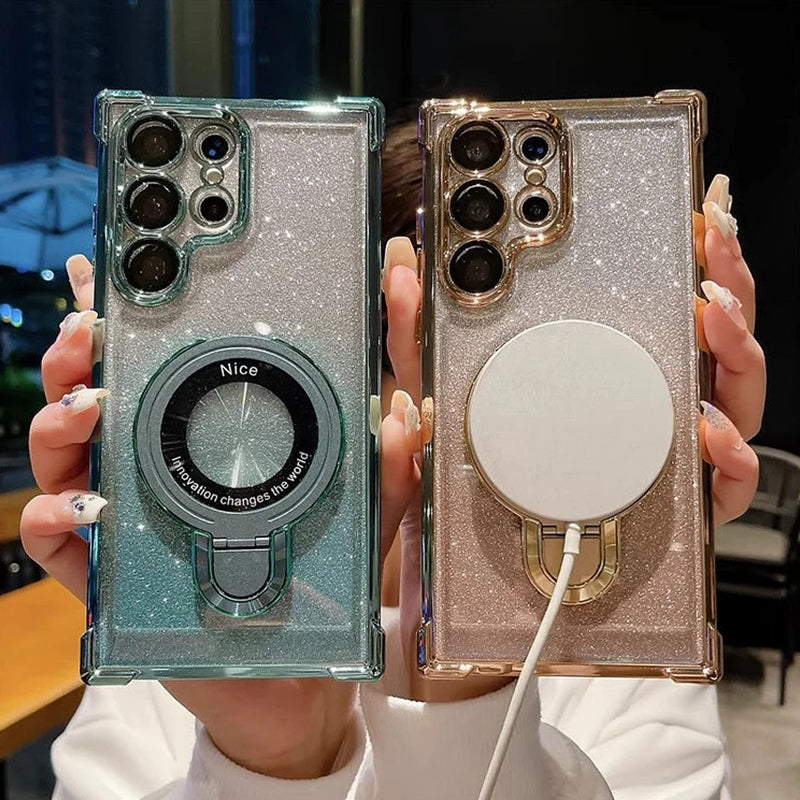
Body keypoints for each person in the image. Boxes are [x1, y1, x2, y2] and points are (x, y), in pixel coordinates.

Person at [20, 118, 765, 799]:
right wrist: (278, 749)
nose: (419, 408)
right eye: (377, 346)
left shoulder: (626, 643)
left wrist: (477, 665)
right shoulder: (173, 635)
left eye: (475, 352)